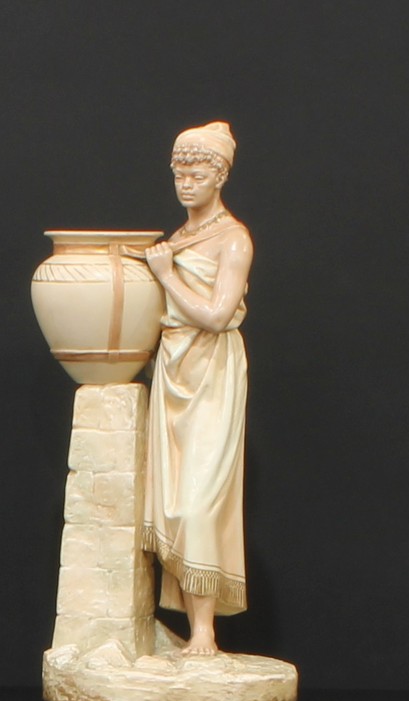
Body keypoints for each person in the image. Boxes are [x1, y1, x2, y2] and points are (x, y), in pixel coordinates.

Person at [141, 121, 253, 658]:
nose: (185, 181)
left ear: (220, 175)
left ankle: (206, 633)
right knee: (170, 500)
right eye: (179, 171)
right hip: (174, 366)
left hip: (212, 370)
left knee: (197, 504)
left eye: (197, 171)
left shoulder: (233, 239)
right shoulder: (179, 239)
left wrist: (164, 275)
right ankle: (190, 631)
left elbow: (215, 314)